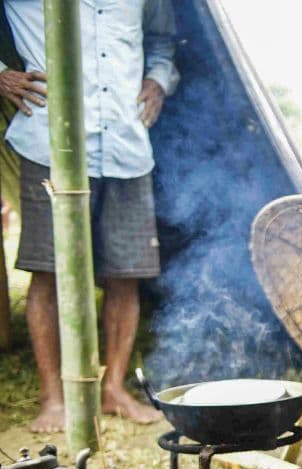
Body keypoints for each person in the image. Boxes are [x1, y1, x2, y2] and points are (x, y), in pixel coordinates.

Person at [0, 0, 178, 433]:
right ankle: (53, 397)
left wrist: (158, 79)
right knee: (48, 271)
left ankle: (113, 388)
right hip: (49, 139)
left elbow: (163, 41)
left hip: (125, 140)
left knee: (126, 273)